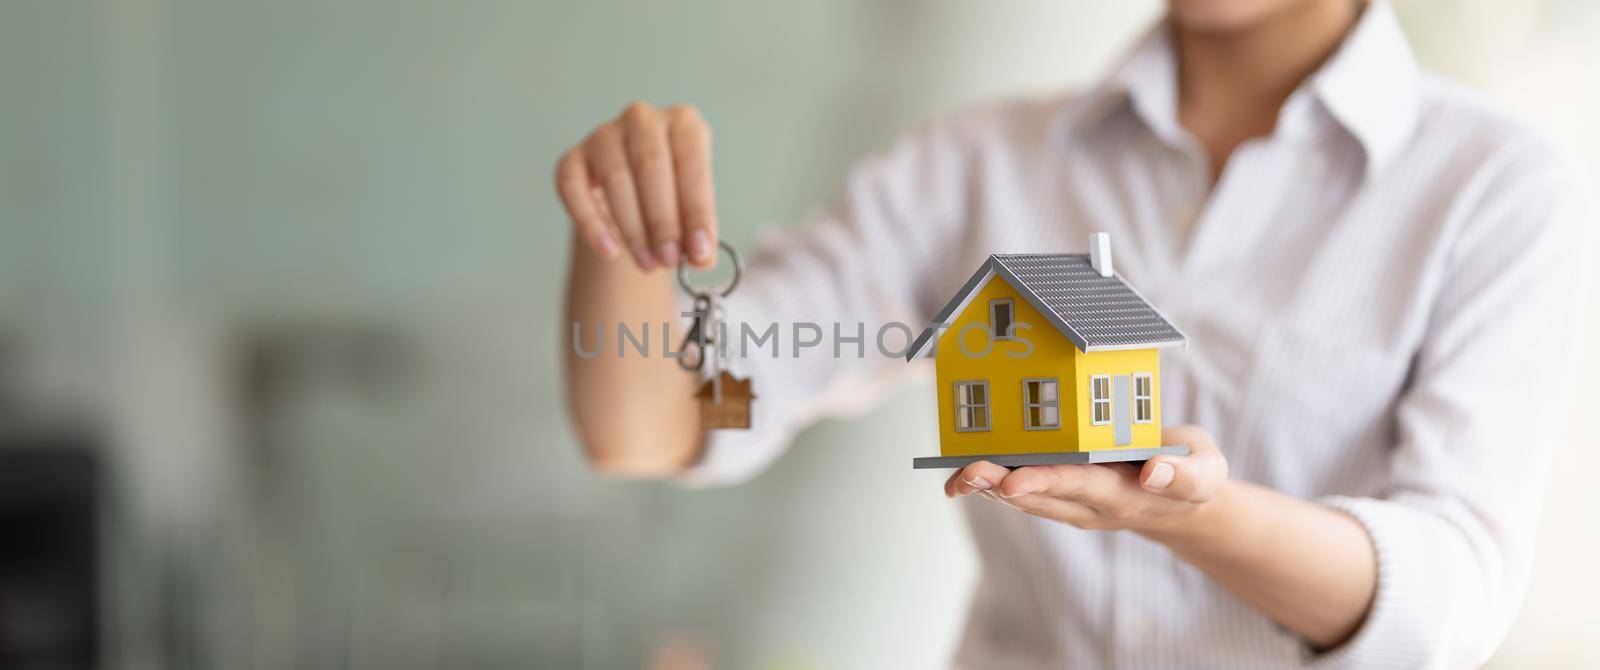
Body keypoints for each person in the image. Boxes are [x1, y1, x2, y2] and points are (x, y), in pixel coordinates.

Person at [556, 0, 1590, 666]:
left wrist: (1194, 518)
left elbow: (1445, 604)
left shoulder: (1493, 188)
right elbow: (660, 417)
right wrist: (621, 237)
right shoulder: (978, 163)